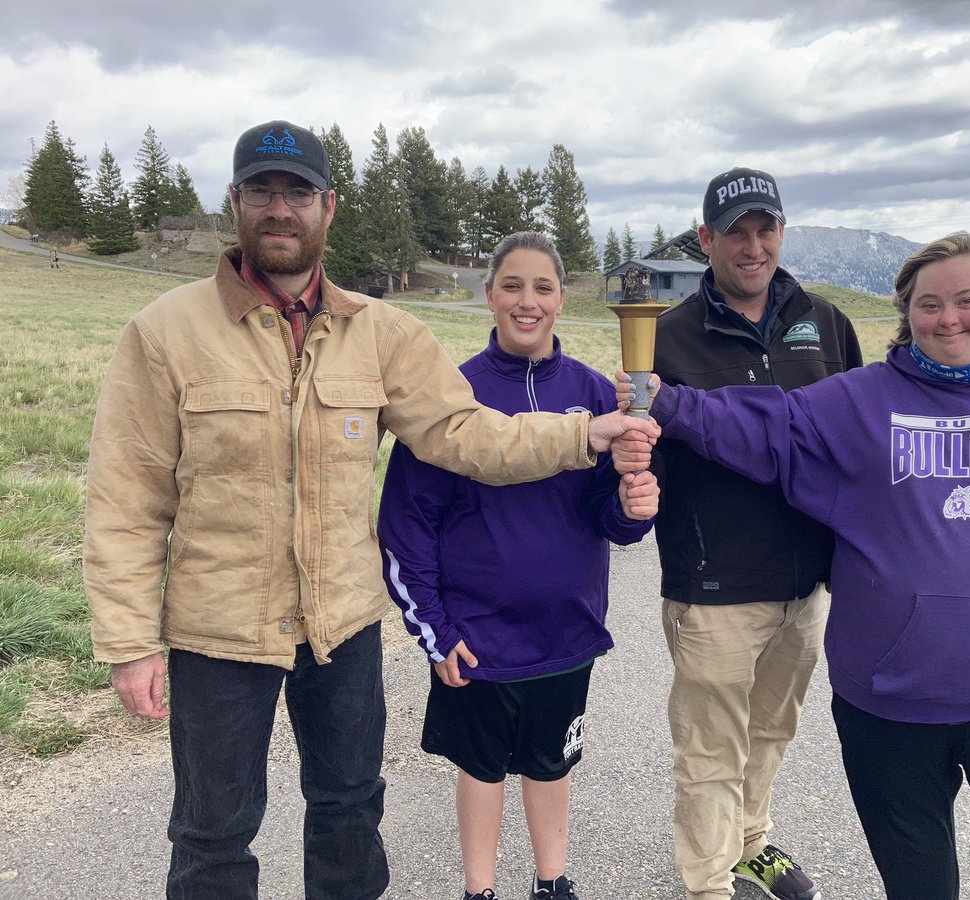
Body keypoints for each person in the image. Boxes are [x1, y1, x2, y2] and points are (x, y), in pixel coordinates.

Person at [82, 121, 656, 900]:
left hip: (342, 627)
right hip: (216, 632)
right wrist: (127, 642)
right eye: (262, 191)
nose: (280, 209)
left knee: (350, 812)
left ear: (329, 208)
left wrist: (585, 433)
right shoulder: (164, 333)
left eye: (299, 194)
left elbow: (465, 433)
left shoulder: (382, 333)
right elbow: (126, 496)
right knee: (213, 835)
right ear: (235, 203)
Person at [617, 231, 970, 899]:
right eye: (929, 304)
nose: (948, 318)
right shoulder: (862, 401)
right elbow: (763, 426)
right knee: (918, 879)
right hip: (892, 700)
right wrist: (662, 400)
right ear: (908, 313)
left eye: (966, 300)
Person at [377, 231, 658, 900]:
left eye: (542, 287)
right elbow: (406, 526)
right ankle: (479, 889)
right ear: (489, 295)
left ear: (562, 299)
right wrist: (434, 630)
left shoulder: (594, 393)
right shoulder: (453, 395)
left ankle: (552, 882)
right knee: (480, 771)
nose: (527, 301)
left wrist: (634, 503)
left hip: (565, 632)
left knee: (551, 763)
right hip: (476, 638)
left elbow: (610, 519)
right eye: (512, 286)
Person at [649, 167, 861, 900]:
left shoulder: (827, 323)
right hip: (713, 588)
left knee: (771, 734)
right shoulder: (665, 339)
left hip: (803, 587)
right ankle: (708, 884)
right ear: (705, 238)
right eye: (735, 231)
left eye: (765, 227)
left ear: (781, 231)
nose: (752, 245)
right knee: (710, 750)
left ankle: (750, 844)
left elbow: (857, 445)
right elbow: (641, 460)